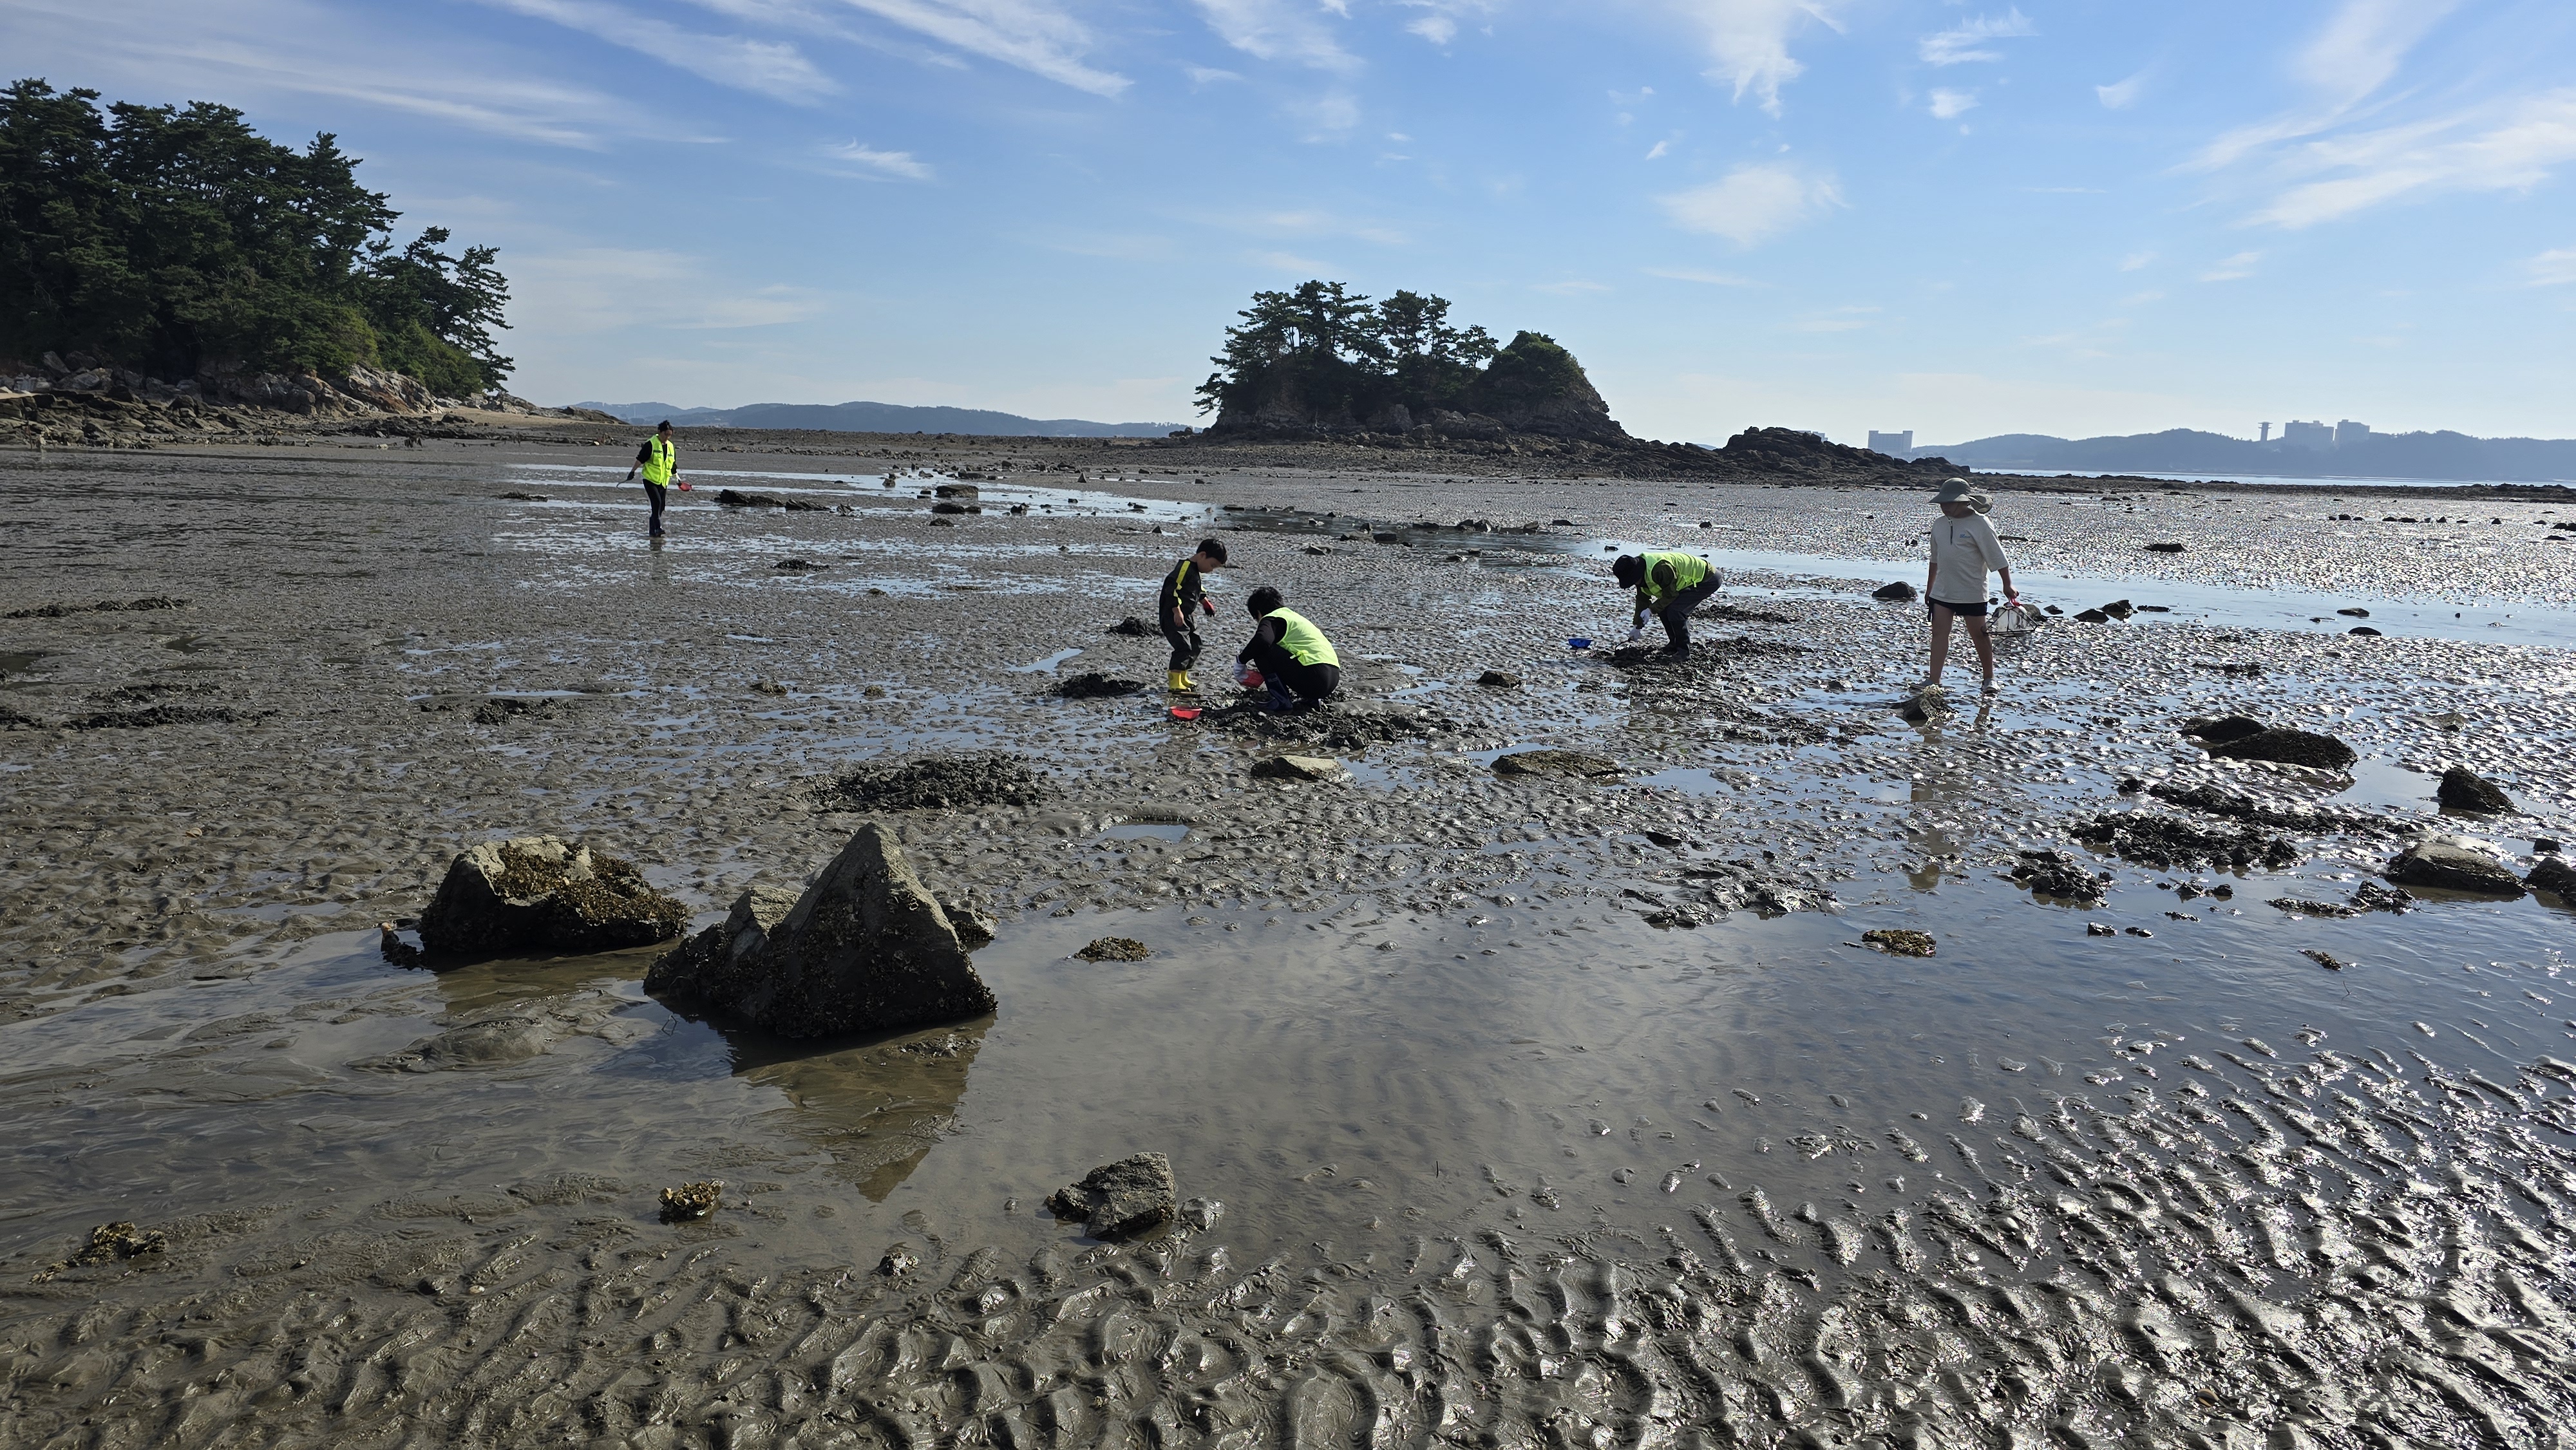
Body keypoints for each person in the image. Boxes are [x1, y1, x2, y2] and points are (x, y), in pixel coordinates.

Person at [1922, 478, 2019, 695]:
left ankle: (1989, 679)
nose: (1943, 506)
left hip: (1972, 591)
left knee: (1979, 634)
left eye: (1948, 502)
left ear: (1963, 502)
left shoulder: (1980, 523)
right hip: (1942, 591)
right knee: (1939, 634)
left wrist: (2008, 585)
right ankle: (1934, 680)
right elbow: (1934, 560)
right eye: (1941, 502)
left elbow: (1997, 557)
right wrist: (1930, 588)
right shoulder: (1938, 524)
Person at [1235, 586, 1340, 713]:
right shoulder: (1293, 617)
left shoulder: (1272, 618)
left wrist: (1240, 662)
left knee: (1262, 651)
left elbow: (1262, 641)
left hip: (1315, 678)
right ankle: (1312, 699)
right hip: (1332, 678)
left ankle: (1281, 701)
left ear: (1258, 613)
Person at [1610, 551, 1723, 659]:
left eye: (1632, 580)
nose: (1634, 583)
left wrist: (1650, 610)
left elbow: (1670, 595)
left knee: (1676, 611)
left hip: (1707, 578)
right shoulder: (1641, 573)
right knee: (1663, 609)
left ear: (1636, 574)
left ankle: (1684, 653)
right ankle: (1674, 645)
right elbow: (1642, 600)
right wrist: (1637, 626)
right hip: (1687, 583)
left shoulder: (1660, 569)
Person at [1160, 538, 1229, 694]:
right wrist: (1176, 611)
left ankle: (1183, 677)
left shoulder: (1195, 571)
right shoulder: (1184, 567)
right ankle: (1175, 682)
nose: (1211, 570)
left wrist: (1206, 602)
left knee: (1195, 644)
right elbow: (1171, 588)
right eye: (1212, 565)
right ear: (1202, 555)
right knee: (1183, 646)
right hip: (1173, 614)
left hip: (1187, 614)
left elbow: (1197, 588)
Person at [624, 420, 681, 537]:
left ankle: (652, 531)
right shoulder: (651, 444)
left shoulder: (670, 447)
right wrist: (632, 472)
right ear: (660, 432)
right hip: (650, 479)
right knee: (657, 503)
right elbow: (640, 459)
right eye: (666, 434)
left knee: (661, 507)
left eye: (670, 435)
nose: (667, 437)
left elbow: (672, 465)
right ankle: (658, 528)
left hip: (663, 481)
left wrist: (678, 480)